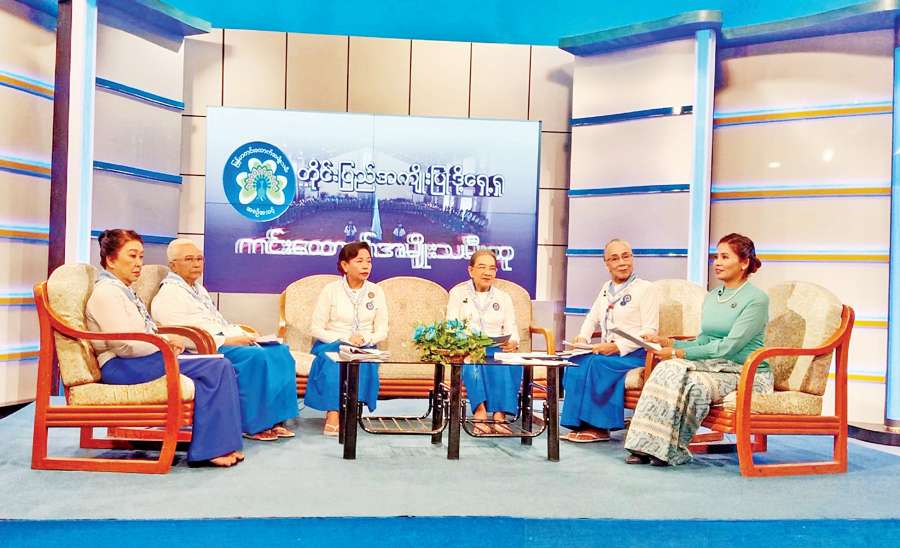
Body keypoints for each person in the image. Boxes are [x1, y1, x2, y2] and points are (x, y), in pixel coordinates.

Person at [85, 229, 243, 467]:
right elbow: (125, 345)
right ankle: (210, 450)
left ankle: (222, 444)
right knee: (216, 367)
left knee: (219, 363)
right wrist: (164, 343)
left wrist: (164, 339)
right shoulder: (106, 292)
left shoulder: (123, 290)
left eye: (141, 256)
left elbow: (140, 334)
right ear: (110, 260)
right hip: (122, 366)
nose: (139, 263)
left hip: (142, 359)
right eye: (132, 256)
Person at [624, 233, 773, 466]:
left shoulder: (757, 299)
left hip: (747, 373)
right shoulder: (713, 297)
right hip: (715, 366)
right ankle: (645, 445)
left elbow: (729, 346)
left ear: (744, 263)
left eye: (725, 257)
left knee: (687, 379)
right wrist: (669, 343)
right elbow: (704, 340)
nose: (717, 262)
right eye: (717, 257)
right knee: (670, 370)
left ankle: (671, 449)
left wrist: (678, 354)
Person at [151, 239, 298, 442]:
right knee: (255, 357)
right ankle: (252, 425)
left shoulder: (197, 289)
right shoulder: (169, 294)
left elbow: (217, 321)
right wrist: (228, 340)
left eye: (199, 259)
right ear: (173, 265)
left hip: (221, 339)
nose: (196, 264)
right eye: (189, 259)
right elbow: (181, 335)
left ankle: (276, 420)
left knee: (279, 351)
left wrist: (242, 334)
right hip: (204, 348)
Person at [561, 239, 659, 443]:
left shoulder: (646, 289)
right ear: (606, 264)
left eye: (626, 256)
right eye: (615, 258)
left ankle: (600, 427)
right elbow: (592, 318)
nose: (622, 262)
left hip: (636, 354)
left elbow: (649, 331)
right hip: (609, 352)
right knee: (575, 361)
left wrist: (617, 347)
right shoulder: (607, 288)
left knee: (597, 364)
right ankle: (579, 423)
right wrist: (583, 337)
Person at [305, 241, 388, 435]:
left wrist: (365, 339)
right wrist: (345, 338)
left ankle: (350, 411)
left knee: (362, 361)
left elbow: (382, 330)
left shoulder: (376, 291)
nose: (366, 266)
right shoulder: (331, 290)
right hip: (332, 343)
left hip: (364, 346)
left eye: (369, 261)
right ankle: (333, 413)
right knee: (334, 361)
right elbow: (316, 328)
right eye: (359, 261)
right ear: (344, 265)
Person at [447, 249, 520, 434]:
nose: (487, 273)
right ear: (471, 270)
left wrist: (513, 342)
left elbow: (512, 329)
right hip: (469, 348)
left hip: (496, 348)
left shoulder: (503, 297)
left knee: (506, 362)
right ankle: (479, 413)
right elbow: (451, 327)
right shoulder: (457, 293)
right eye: (482, 267)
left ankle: (499, 415)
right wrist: (465, 344)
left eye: (492, 268)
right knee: (472, 362)